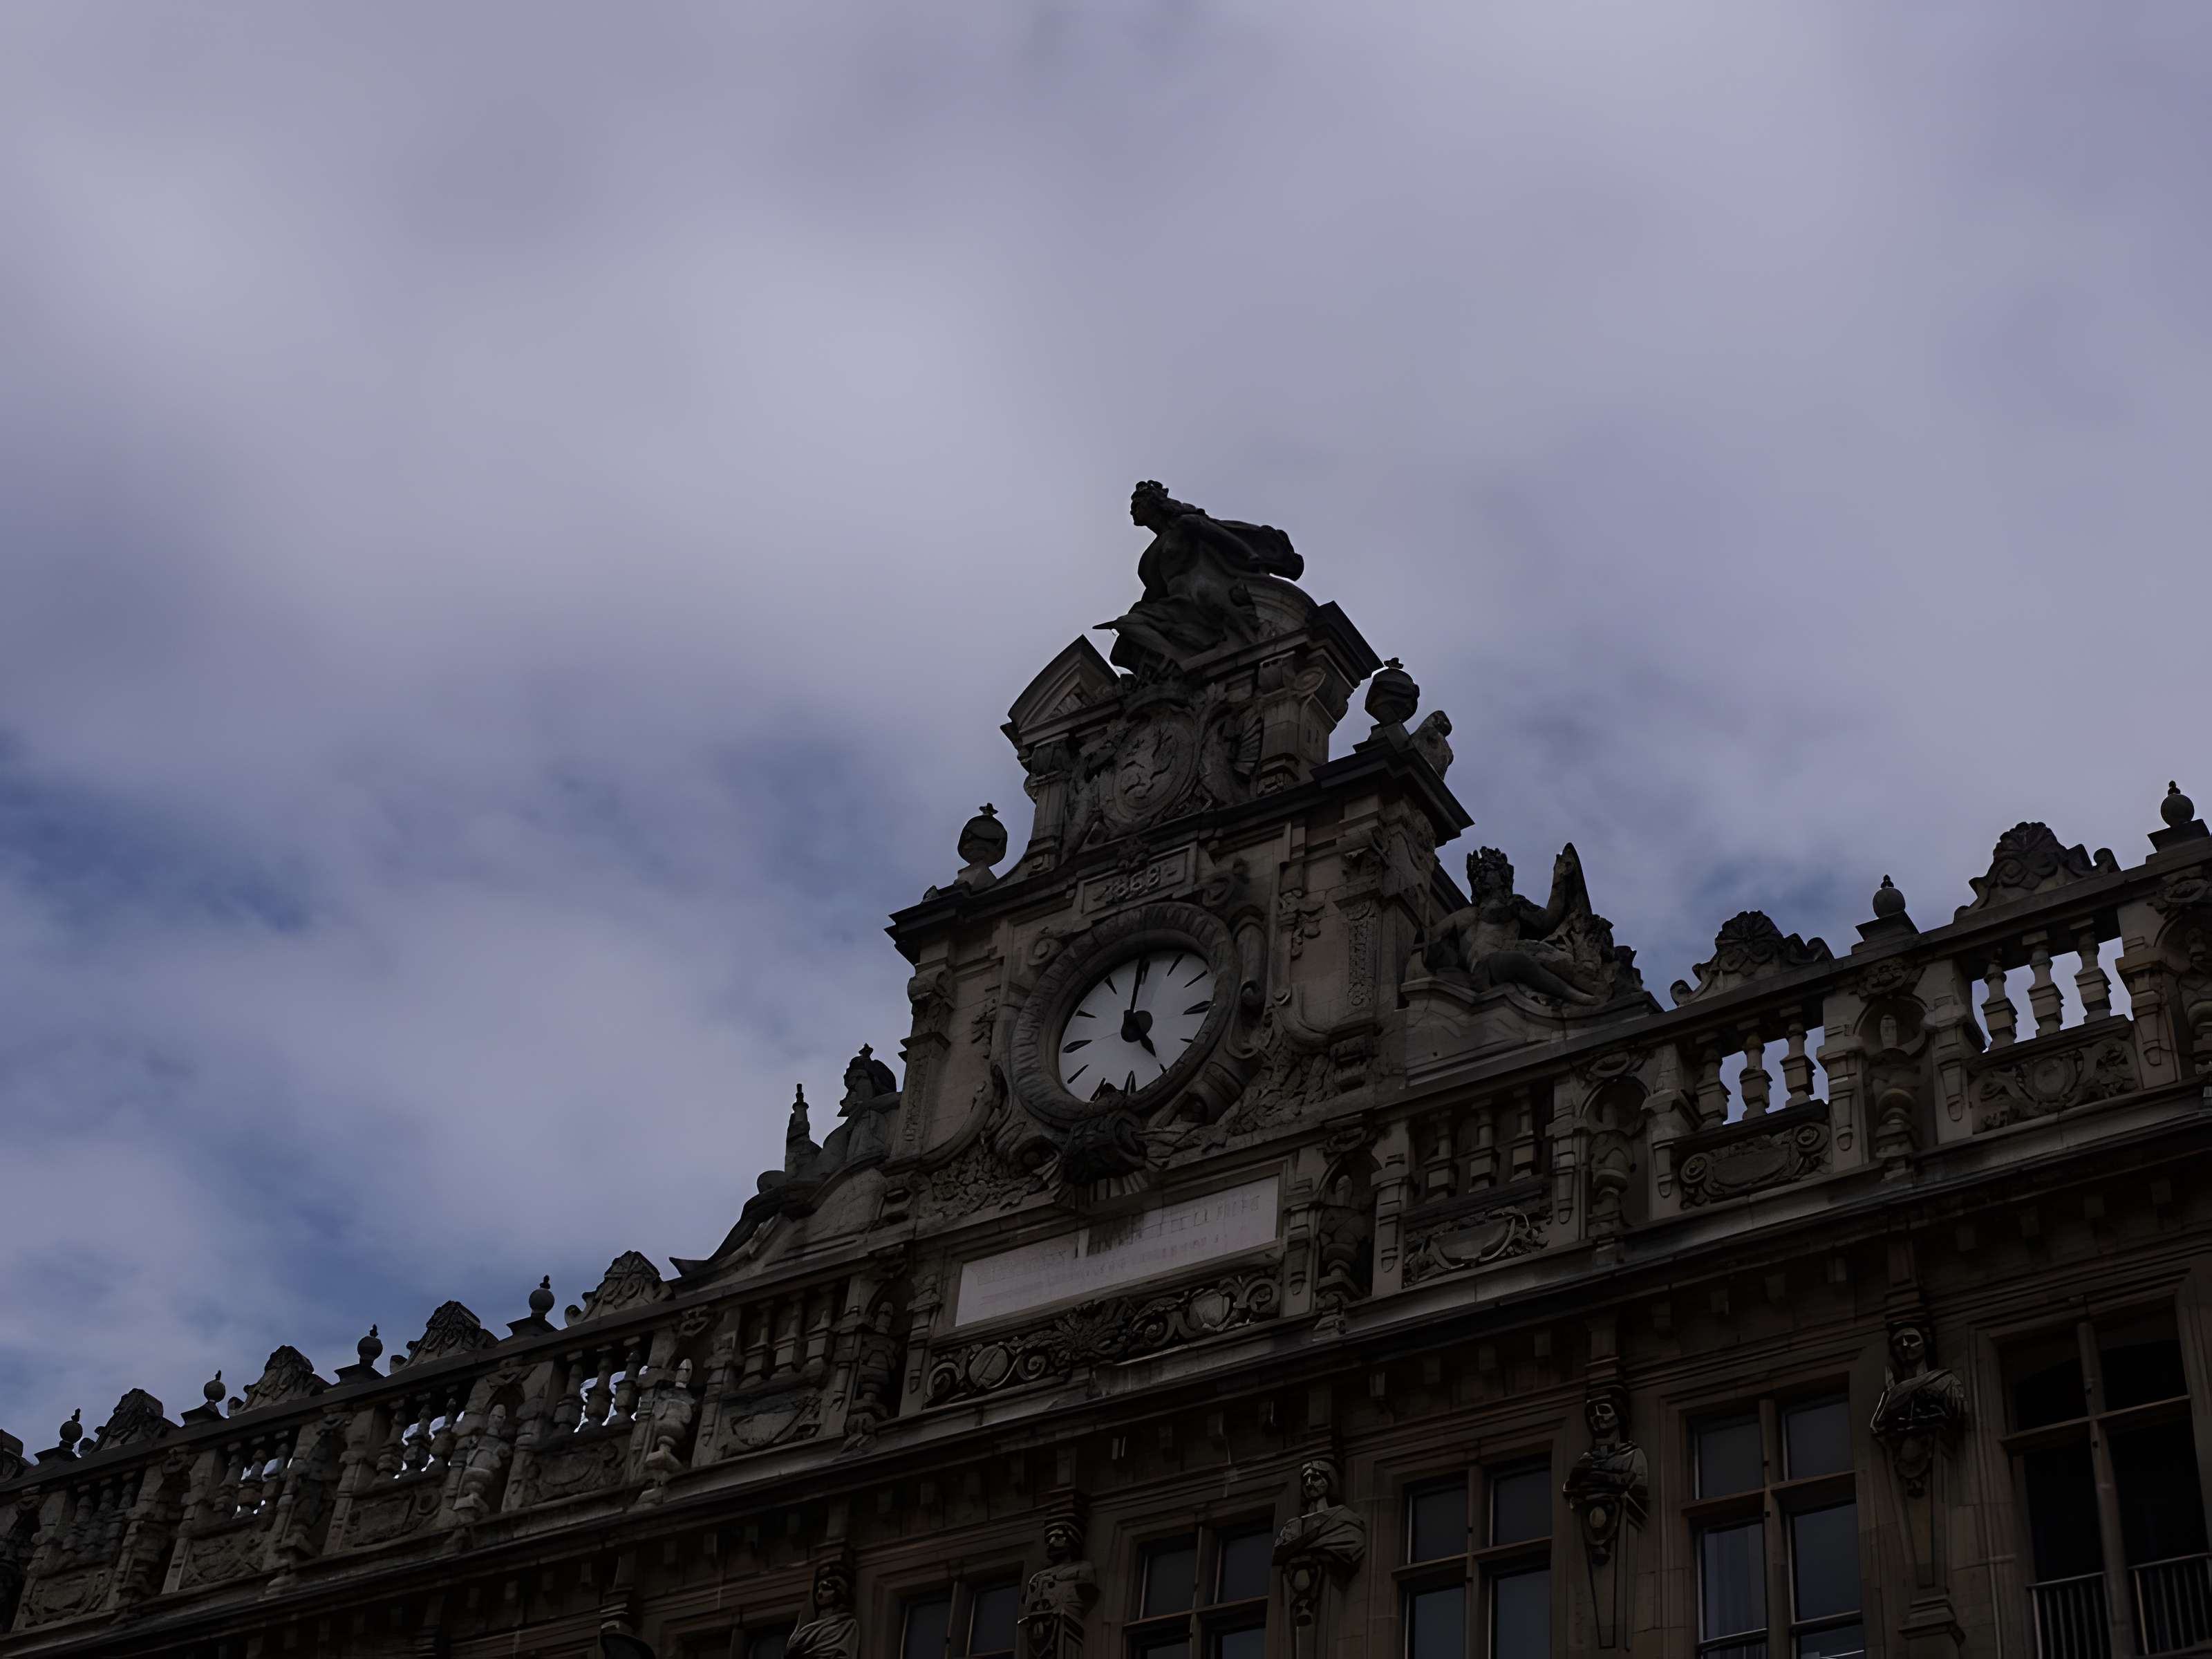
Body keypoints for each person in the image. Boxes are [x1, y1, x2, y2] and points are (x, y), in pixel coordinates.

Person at [1101, 481, 1304, 676]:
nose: (1132, 510)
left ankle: (1192, 660)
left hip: (1201, 591)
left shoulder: (1185, 524)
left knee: (1205, 594)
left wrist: (1250, 555)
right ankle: (1174, 662)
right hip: (1172, 604)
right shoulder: (1149, 555)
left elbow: (1221, 536)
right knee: (1125, 635)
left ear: (1152, 503)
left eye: (1136, 504)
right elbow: (1154, 592)